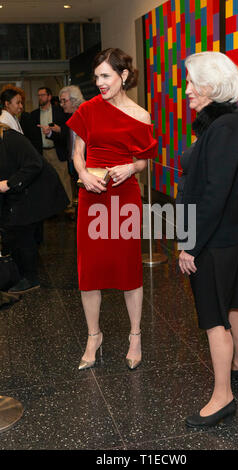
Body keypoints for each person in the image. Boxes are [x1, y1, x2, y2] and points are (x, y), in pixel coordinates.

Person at [177, 51, 238, 428]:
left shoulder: (223, 128)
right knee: (234, 303)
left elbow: (213, 194)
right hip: (229, 235)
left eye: (192, 82)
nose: (187, 89)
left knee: (214, 317)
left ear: (211, 85)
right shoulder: (225, 124)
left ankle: (223, 397)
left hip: (214, 239)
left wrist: (189, 243)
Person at [66, 48, 157, 371]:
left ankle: (135, 336)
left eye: (105, 76)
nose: (99, 83)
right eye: (96, 77)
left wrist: (130, 169)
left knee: (128, 268)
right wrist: (83, 174)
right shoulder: (88, 110)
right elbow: (78, 152)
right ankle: (94, 336)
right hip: (92, 195)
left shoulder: (140, 115)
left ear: (124, 76)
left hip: (124, 196)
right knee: (89, 271)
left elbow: (144, 162)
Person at [0, 123, 69, 293]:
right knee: (13, 228)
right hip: (20, 189)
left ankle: (30, 279)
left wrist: (9, 183)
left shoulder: (11, 138)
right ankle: (19, 274)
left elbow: (34, 164)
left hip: (35, 189)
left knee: (22, 229)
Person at [30, 87, 73, 209]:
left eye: (42, 95)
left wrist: (57, 130)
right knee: (45, 181)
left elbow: (66, 130)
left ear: (49, 97)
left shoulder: (60, 111)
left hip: (56, 150)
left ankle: (68, 205)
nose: (40, 98)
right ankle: (50, 207)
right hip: (41, 153)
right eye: (38, 95)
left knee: (63, 178)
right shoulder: (34, 115)